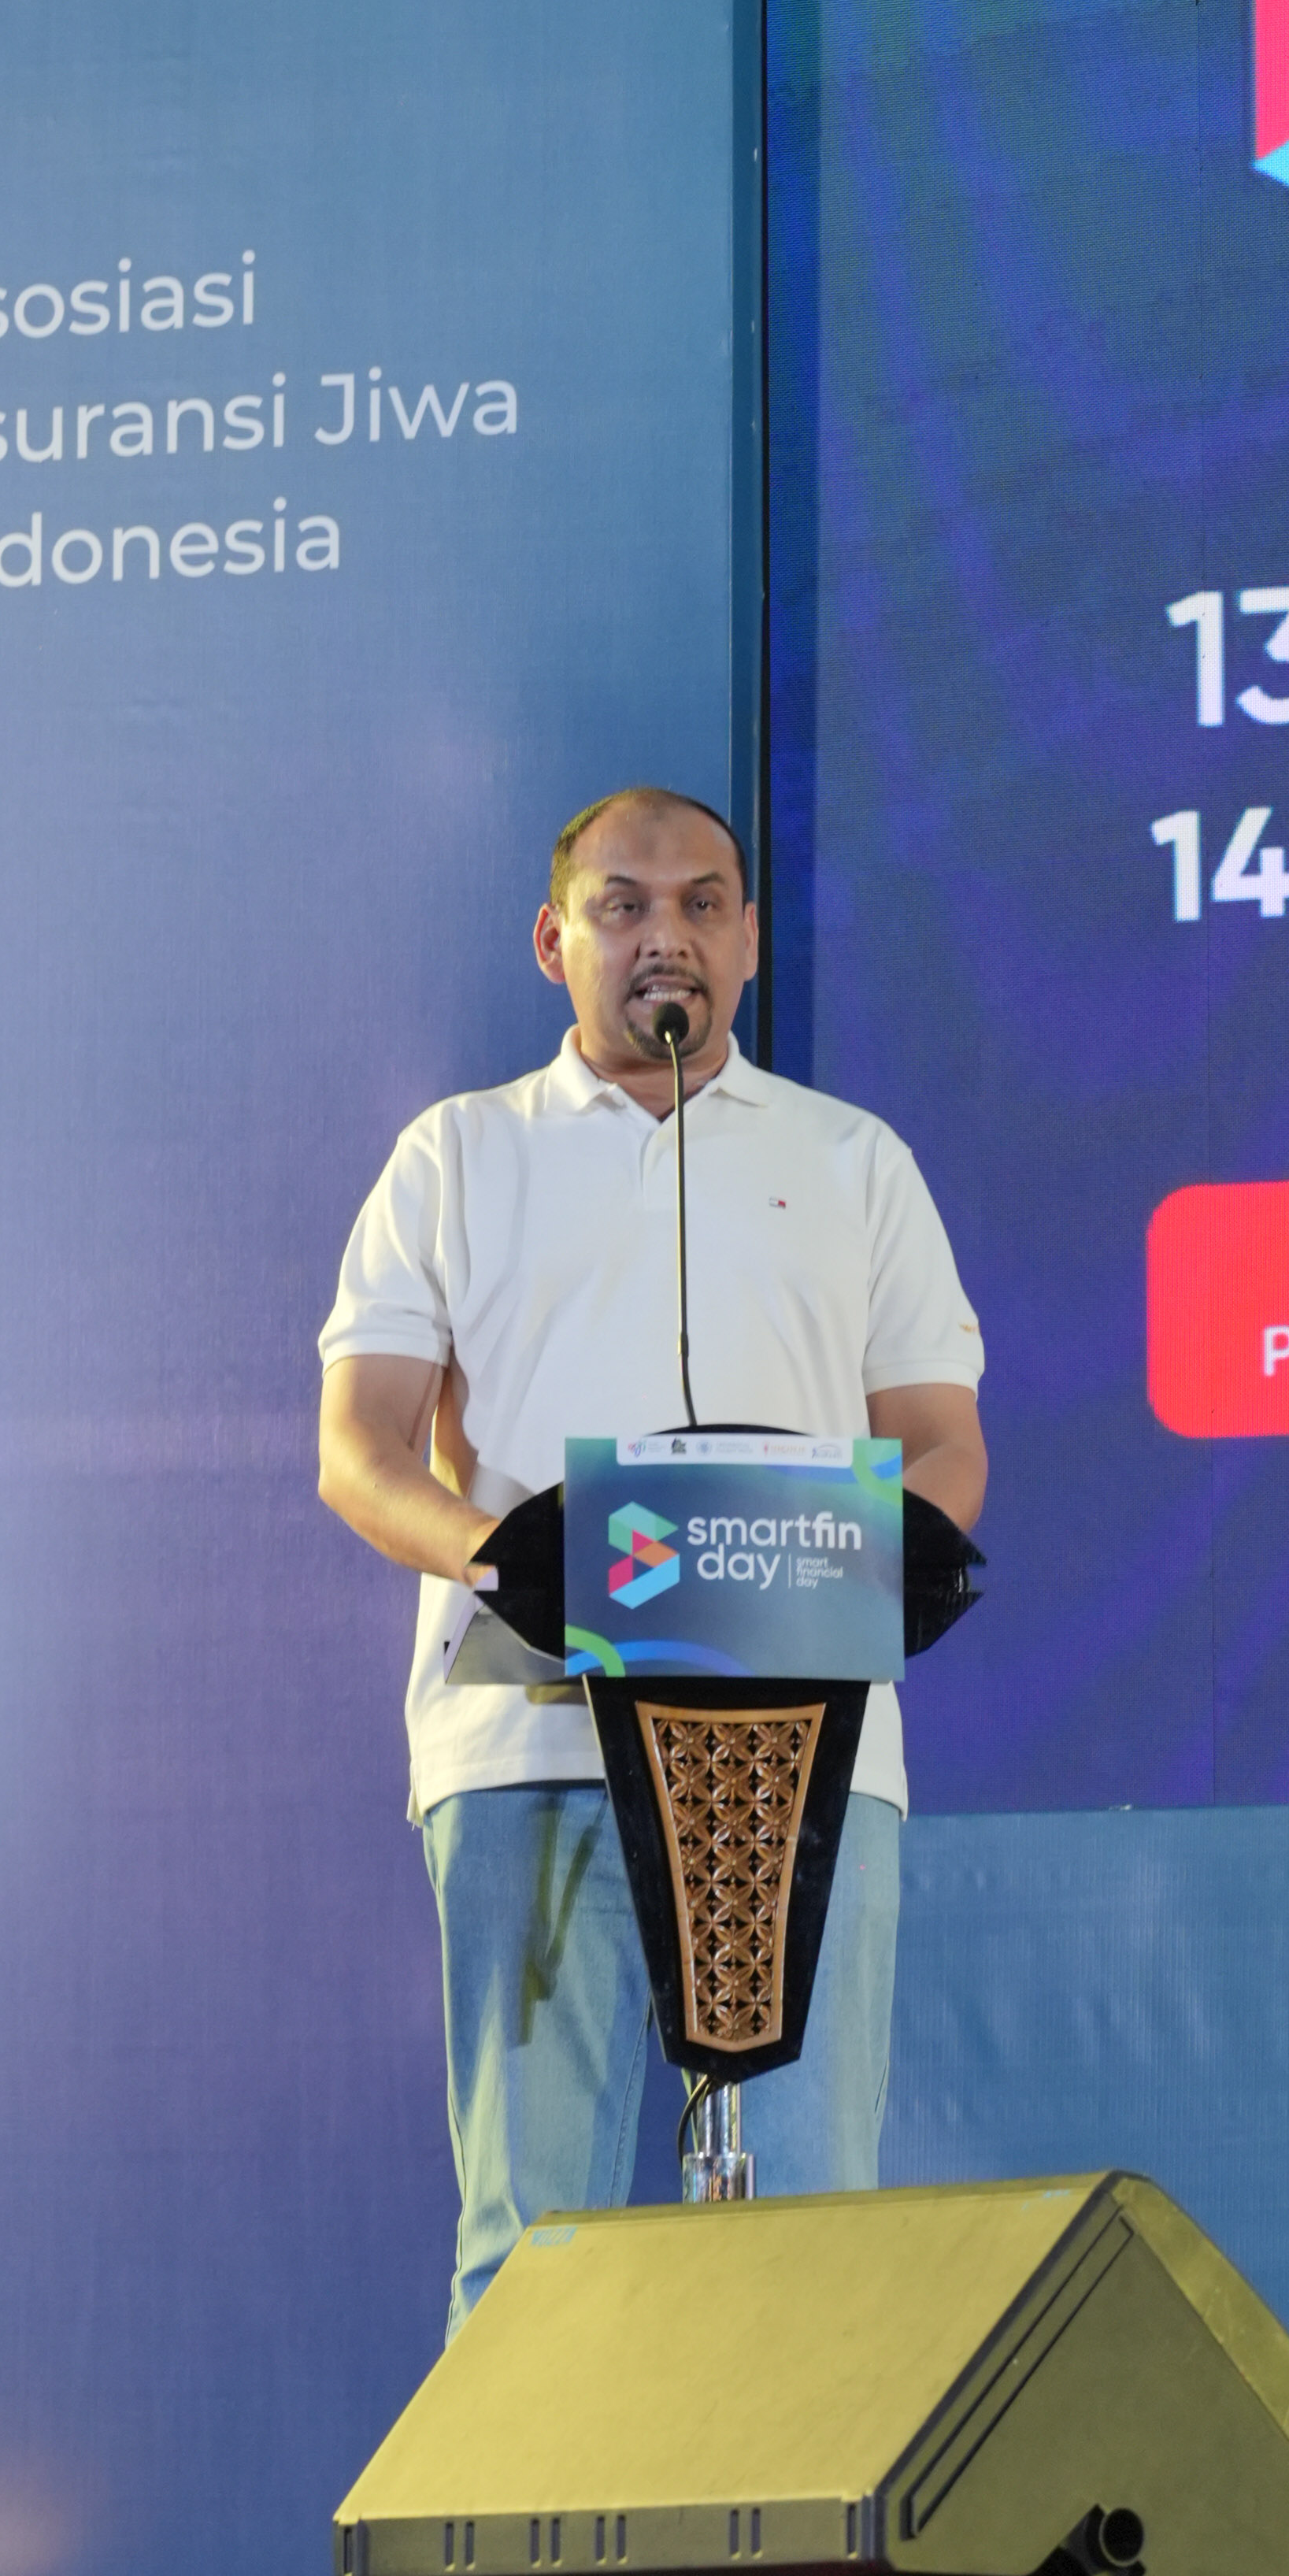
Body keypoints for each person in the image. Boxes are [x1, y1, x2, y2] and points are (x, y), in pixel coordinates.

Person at [317, 786, 986, 2334]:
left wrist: (889, 1556)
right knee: (529, 2251)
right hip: (531, 1746)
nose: (663, 934)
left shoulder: (852, 1160)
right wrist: (514, 1559)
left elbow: (945, 1443)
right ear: (553, 942)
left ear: (747, 940)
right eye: (621, 905)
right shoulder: (457, 1156)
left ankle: (784, 2510)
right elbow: (360, 1449)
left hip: (807, 1754)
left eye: (701, 903)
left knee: (807, 2242)